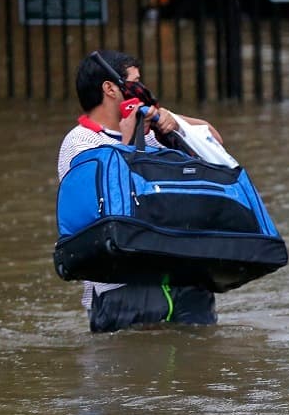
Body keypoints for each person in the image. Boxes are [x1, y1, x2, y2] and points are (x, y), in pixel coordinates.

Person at [57, 49, 223, 332]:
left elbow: (215, 148)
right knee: (133, 370)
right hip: (122, 287)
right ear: (109, 88)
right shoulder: (80, 142)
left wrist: (174, 121)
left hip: (184, 277)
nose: (143, 91)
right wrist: (127, 138)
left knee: (199, 367)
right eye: (135, 83)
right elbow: (112, 201)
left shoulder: (152, 131)